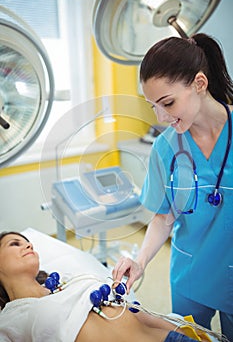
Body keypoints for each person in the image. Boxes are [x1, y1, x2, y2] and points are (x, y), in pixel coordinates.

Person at [112, 33, 233, 342]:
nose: (162, 117)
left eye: (168, 103)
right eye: (153, 106)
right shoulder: (165, 147)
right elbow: (163, 217)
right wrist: (139, 262)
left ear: (200, 84)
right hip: (190, 278)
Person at [0, 231, 217, 342]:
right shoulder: (10, 320)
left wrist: (190, 335)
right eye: (14, 244)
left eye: (27, 242)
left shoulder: (66, 283)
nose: (28, 244)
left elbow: (137, 314)